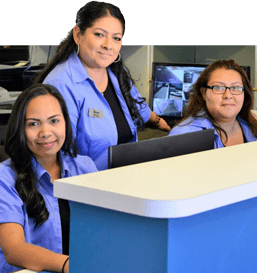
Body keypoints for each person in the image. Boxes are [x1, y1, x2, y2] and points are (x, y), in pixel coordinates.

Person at [33, 1, 170, 171]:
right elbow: (60, 155)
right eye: (99, 34)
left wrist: (161, 123)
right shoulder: (61, 84)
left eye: (116, 38)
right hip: (86, 186)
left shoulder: (117, 73)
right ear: (78, 35)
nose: (108, 45)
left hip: (124, 176)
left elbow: (138, 106)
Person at [0, 84, 97, 273]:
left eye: (54, 121)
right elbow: (14, 250)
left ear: (65, 123)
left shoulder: (84, 168)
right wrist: (70, 265)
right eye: (33, 124)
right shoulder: (2, 178)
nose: (45, 132)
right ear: (20, 128)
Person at [168, 59, 257, 147]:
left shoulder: (250, 127)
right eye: (218, 87)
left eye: (235, 88)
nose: (228, 95)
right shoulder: (185, 135)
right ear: (204, 93)